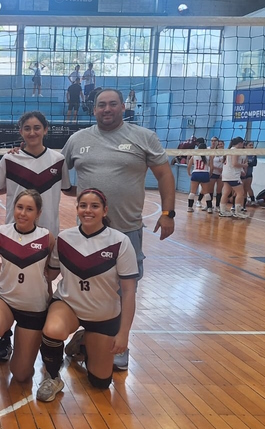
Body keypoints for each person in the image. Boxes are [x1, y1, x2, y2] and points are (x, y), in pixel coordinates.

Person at [61, 88, 174, 372]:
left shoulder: (143, 137)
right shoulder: (78, 140)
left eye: (112, 104)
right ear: (94, 109)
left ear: (123, 107)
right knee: (89, 289)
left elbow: (163, 174)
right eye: (101, 105)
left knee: (126, 290)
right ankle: (90, 336)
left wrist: (167, 212)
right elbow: (57, 173)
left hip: (128, 230)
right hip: (87, 233)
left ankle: (118, 344)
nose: (107, 109)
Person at [0, 111, 75, 359]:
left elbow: (67, 189)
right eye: (27, 128)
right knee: (11, 282)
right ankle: (5, 338)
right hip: (14, 234)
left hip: (48, 234)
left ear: (46, 130)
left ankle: (42, 336)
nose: (32, 132)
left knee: (44, 282)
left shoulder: (58, 160)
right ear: (20, 132)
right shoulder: (10, 159)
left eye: (37, 127)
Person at [37, 188, 138, 401]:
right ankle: (52, 376)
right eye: (83, 206)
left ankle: (83, 342)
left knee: (101, 383)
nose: (88, 210)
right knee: (53, 329)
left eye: (94, 206)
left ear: (105, 210)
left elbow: (128, 292)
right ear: (77, 209)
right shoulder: (64, 238)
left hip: (103, 315)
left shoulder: (120, 242)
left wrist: (123, 333)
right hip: (69, 305)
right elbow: (50, 274)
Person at [0, 190, 55, 390]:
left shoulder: (47, 238)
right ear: (13, 208)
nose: (23, 213)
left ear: (38, 213)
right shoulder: (2, 232)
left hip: (34, 308)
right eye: (19, 207)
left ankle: (22, 353)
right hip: (4, 299)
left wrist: (50, 304)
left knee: (21, 375)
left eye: (29, 209)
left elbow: (50, 273)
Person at [219, 137, 248, 219]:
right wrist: (244, 165)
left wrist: (241, 170)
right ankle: (238, 212)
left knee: (226, 192)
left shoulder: (230, 150)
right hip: (232, 175)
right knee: (240, 193)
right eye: (242, 143)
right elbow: (234, 164)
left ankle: (222, 211)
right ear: (239, 143)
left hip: (226, 174)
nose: (243, 145)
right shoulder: (235, 150)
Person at [186, 145, 213, 213]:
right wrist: (209, 174)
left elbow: (189, 166)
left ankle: (189, 207)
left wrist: (189, 173)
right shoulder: (209, 156)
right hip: (204, 173)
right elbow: (212, 168)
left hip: (195, 173)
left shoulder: (194, 155)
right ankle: (209, 208)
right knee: (206, 192)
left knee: (192, 192)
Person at [241, 141, 257, 211]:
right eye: (250, 145)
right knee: (241, 190)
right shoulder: (242, 154)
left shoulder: (253, 154)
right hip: (241, 174)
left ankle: (251, 201)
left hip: (249, 174)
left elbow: (254, 163)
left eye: (252, 145)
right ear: (245, 146)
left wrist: (248, 163)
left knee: (247, 188)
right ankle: (236, 205)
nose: (251, 146)